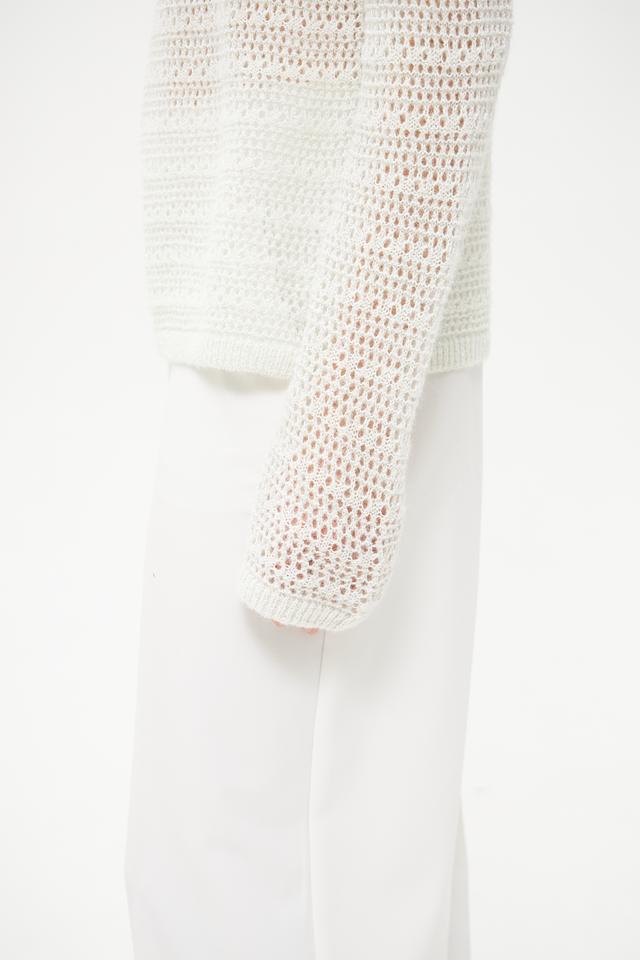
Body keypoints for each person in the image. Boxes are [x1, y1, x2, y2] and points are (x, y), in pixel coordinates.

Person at [125, 3, 513, 957]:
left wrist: (342, 450)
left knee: (298, 870)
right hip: (250, 335)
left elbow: (443, 56)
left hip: (323, 364)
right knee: (212, 856)